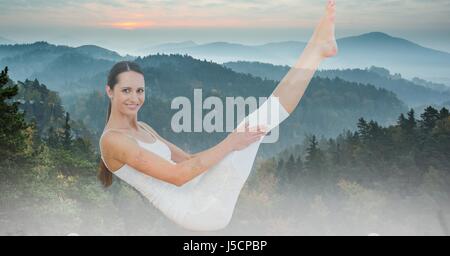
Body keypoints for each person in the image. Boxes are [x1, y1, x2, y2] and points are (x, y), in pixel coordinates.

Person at [99, 0, 337, 231]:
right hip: (197, 210)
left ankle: (317, 50)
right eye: (126, 91)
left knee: (255, 125)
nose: (135, 98)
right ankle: (316, 49)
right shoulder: (113, 140)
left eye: (139, 90)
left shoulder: (143, 128)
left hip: (200, 190)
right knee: (255, 124)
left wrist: (231, 144)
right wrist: (231, 143)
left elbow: (188, 161)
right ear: (110, 91)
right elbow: (177, 176)